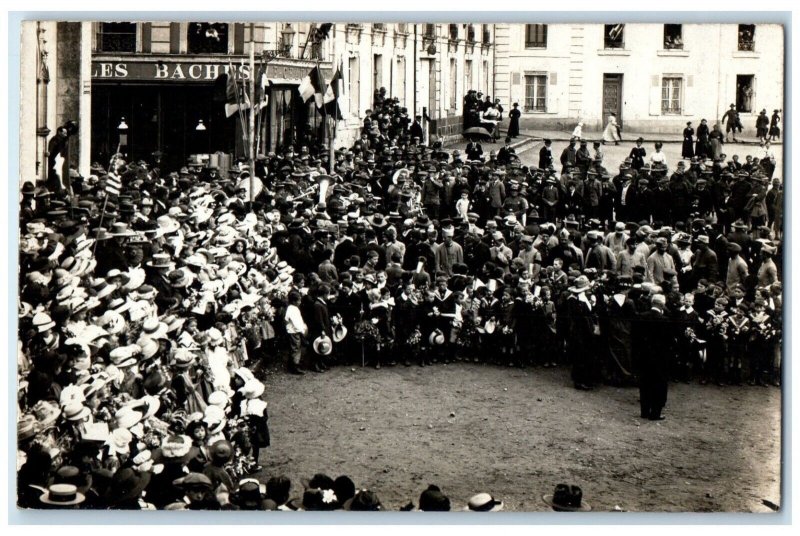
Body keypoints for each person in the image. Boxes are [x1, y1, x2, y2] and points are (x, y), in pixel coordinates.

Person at [637, 294, 671, 420]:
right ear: (662, 305)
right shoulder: (664, 320)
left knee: (645, 383)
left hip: (644, 356)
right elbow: (668, 342)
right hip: (659, 358)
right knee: (659, 384)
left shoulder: (641, 317)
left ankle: (644, 411)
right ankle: (655, 413)